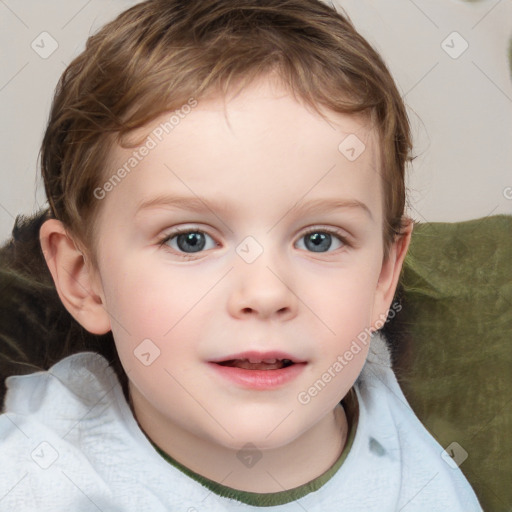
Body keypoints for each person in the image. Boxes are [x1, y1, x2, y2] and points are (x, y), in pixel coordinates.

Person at [0, 0, 482, 510]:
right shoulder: (37, 478)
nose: (266, 293)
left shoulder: (419, 482)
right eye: (191, 239)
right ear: (83, 277)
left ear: (384, 275)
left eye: (319, 239)